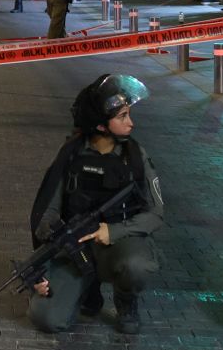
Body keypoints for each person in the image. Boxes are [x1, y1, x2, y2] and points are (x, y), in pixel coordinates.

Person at [27, 74, 164, 335]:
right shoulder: (71, 154)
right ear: (101, 125)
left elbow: (156, 213)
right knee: (46, 319)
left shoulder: (135, 156)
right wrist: (43, 266)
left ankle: (126, 300)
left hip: (118, 244)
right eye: (122, 116)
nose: (131, 123)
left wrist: (113, 232)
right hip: (75, 247)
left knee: (137, 265)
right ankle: (86, 292)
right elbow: (48, 209)